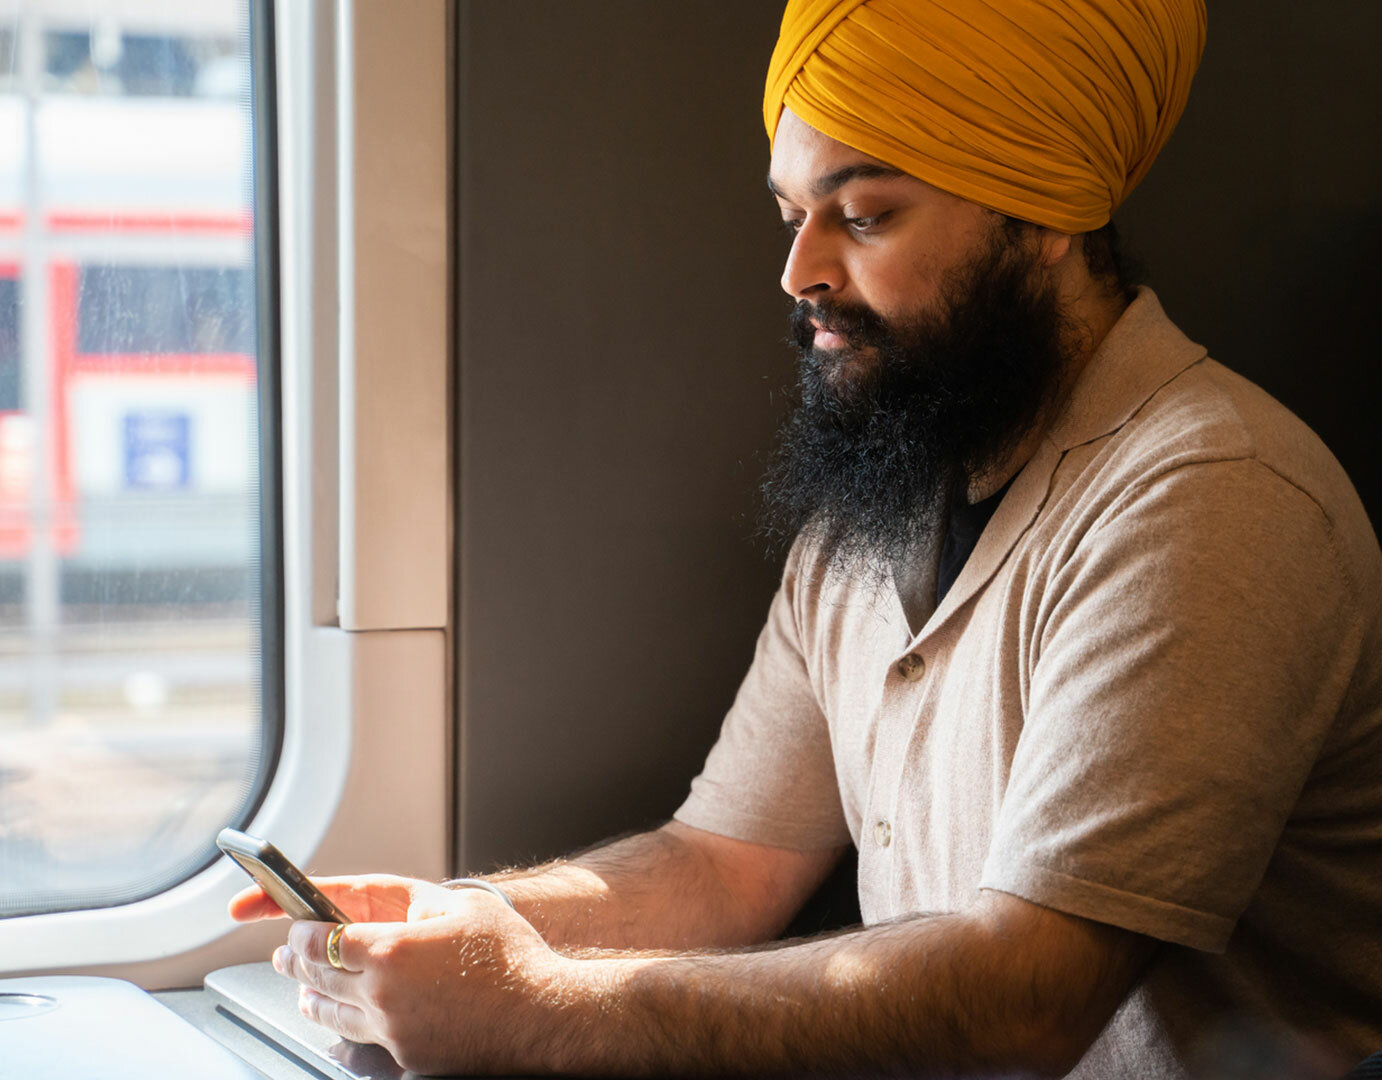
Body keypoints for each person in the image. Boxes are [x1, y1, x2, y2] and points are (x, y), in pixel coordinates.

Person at [232, 1, 1382, 1076]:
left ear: (1048, 218)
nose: (799, 274)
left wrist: (535, 1009)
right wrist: (467, 925)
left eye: (864, 216)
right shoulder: (883, 489)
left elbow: (1031, 991)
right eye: (792, 217)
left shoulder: (1210, 498)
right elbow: (723, 864)